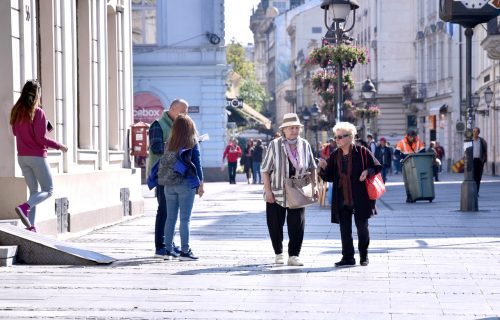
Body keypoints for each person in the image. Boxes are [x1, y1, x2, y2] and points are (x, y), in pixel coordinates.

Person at [318, 122, 381, 267]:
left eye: (340, 137)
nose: (337, 140)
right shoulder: (335, 155)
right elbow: (329, 177)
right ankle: (348, 257)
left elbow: (376, 166)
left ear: (350, 137)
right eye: (336, 137)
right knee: (344, 229)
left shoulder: (362, 152)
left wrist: (367, 172)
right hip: (342, 197)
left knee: (362, 228)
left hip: (360, 196)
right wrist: (323, 168)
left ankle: (364, 256)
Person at [10, 79, 68, 232]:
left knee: (34, 193)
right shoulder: (38, 112)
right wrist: (60, 146)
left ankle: (31, 226)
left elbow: (16, 132)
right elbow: (40, 138)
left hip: (22, 157)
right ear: (37, 95)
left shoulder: (16, 111)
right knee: (48, 190)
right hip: (36, 156)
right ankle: (24, 207)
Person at [261, 113, 318, 266]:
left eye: (296, 128)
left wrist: (315, 186)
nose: (294, 131)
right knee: (274, 223)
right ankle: (278, 253)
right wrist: (268, 191)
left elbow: (312, 167)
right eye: (291, 128)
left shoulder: (305, 144)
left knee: (297, 224)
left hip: (298, 190)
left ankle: (294, 255)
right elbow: (265, 169)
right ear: (284, 130)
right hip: (277, 190)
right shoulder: (274, 145)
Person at [157, 114, 204, 260]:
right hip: (185, 184)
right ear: (190, 127)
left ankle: (168, 250)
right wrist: (201, 184)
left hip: (169, 184)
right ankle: (185, 251)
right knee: (185, 219)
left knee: (170, 218)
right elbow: (197, 164)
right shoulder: (192, 142)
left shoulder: (169, 143)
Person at [147, 99, 188, 258]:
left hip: (175, 174)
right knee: (164, 210)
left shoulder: (178, 126)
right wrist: (177, 145)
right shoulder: (157, 125)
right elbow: (156, 148)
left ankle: (169, 244)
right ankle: (160, 246)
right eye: (183, 111)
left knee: (173, 211)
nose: (185, 114)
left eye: (186, 111)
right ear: (172, 109)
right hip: (162, 174)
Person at [395, 129, 425, 202]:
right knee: (407, 182)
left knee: (415, 181)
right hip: (405, 164)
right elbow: (396, 153)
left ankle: (415, 195)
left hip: (416, 164)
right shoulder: (401, 143)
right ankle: (409, 196)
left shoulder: (418, 142)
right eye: (411, 137)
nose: (412, 138)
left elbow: (423, 152)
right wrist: (400, 160)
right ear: (408, 136)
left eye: (413, 136)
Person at [472, 127, 488, 195]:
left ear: (478, 133)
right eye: (474, 131)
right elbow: (465, 151)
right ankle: (472, 191)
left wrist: (483, 160)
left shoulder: (482, 141)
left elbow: (485, 151)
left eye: (476, 131)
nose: (475, 133)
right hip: (472, 161)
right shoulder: (470, 141)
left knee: (478, 178)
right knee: (472, 177)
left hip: (479, 161)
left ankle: (476, 192)